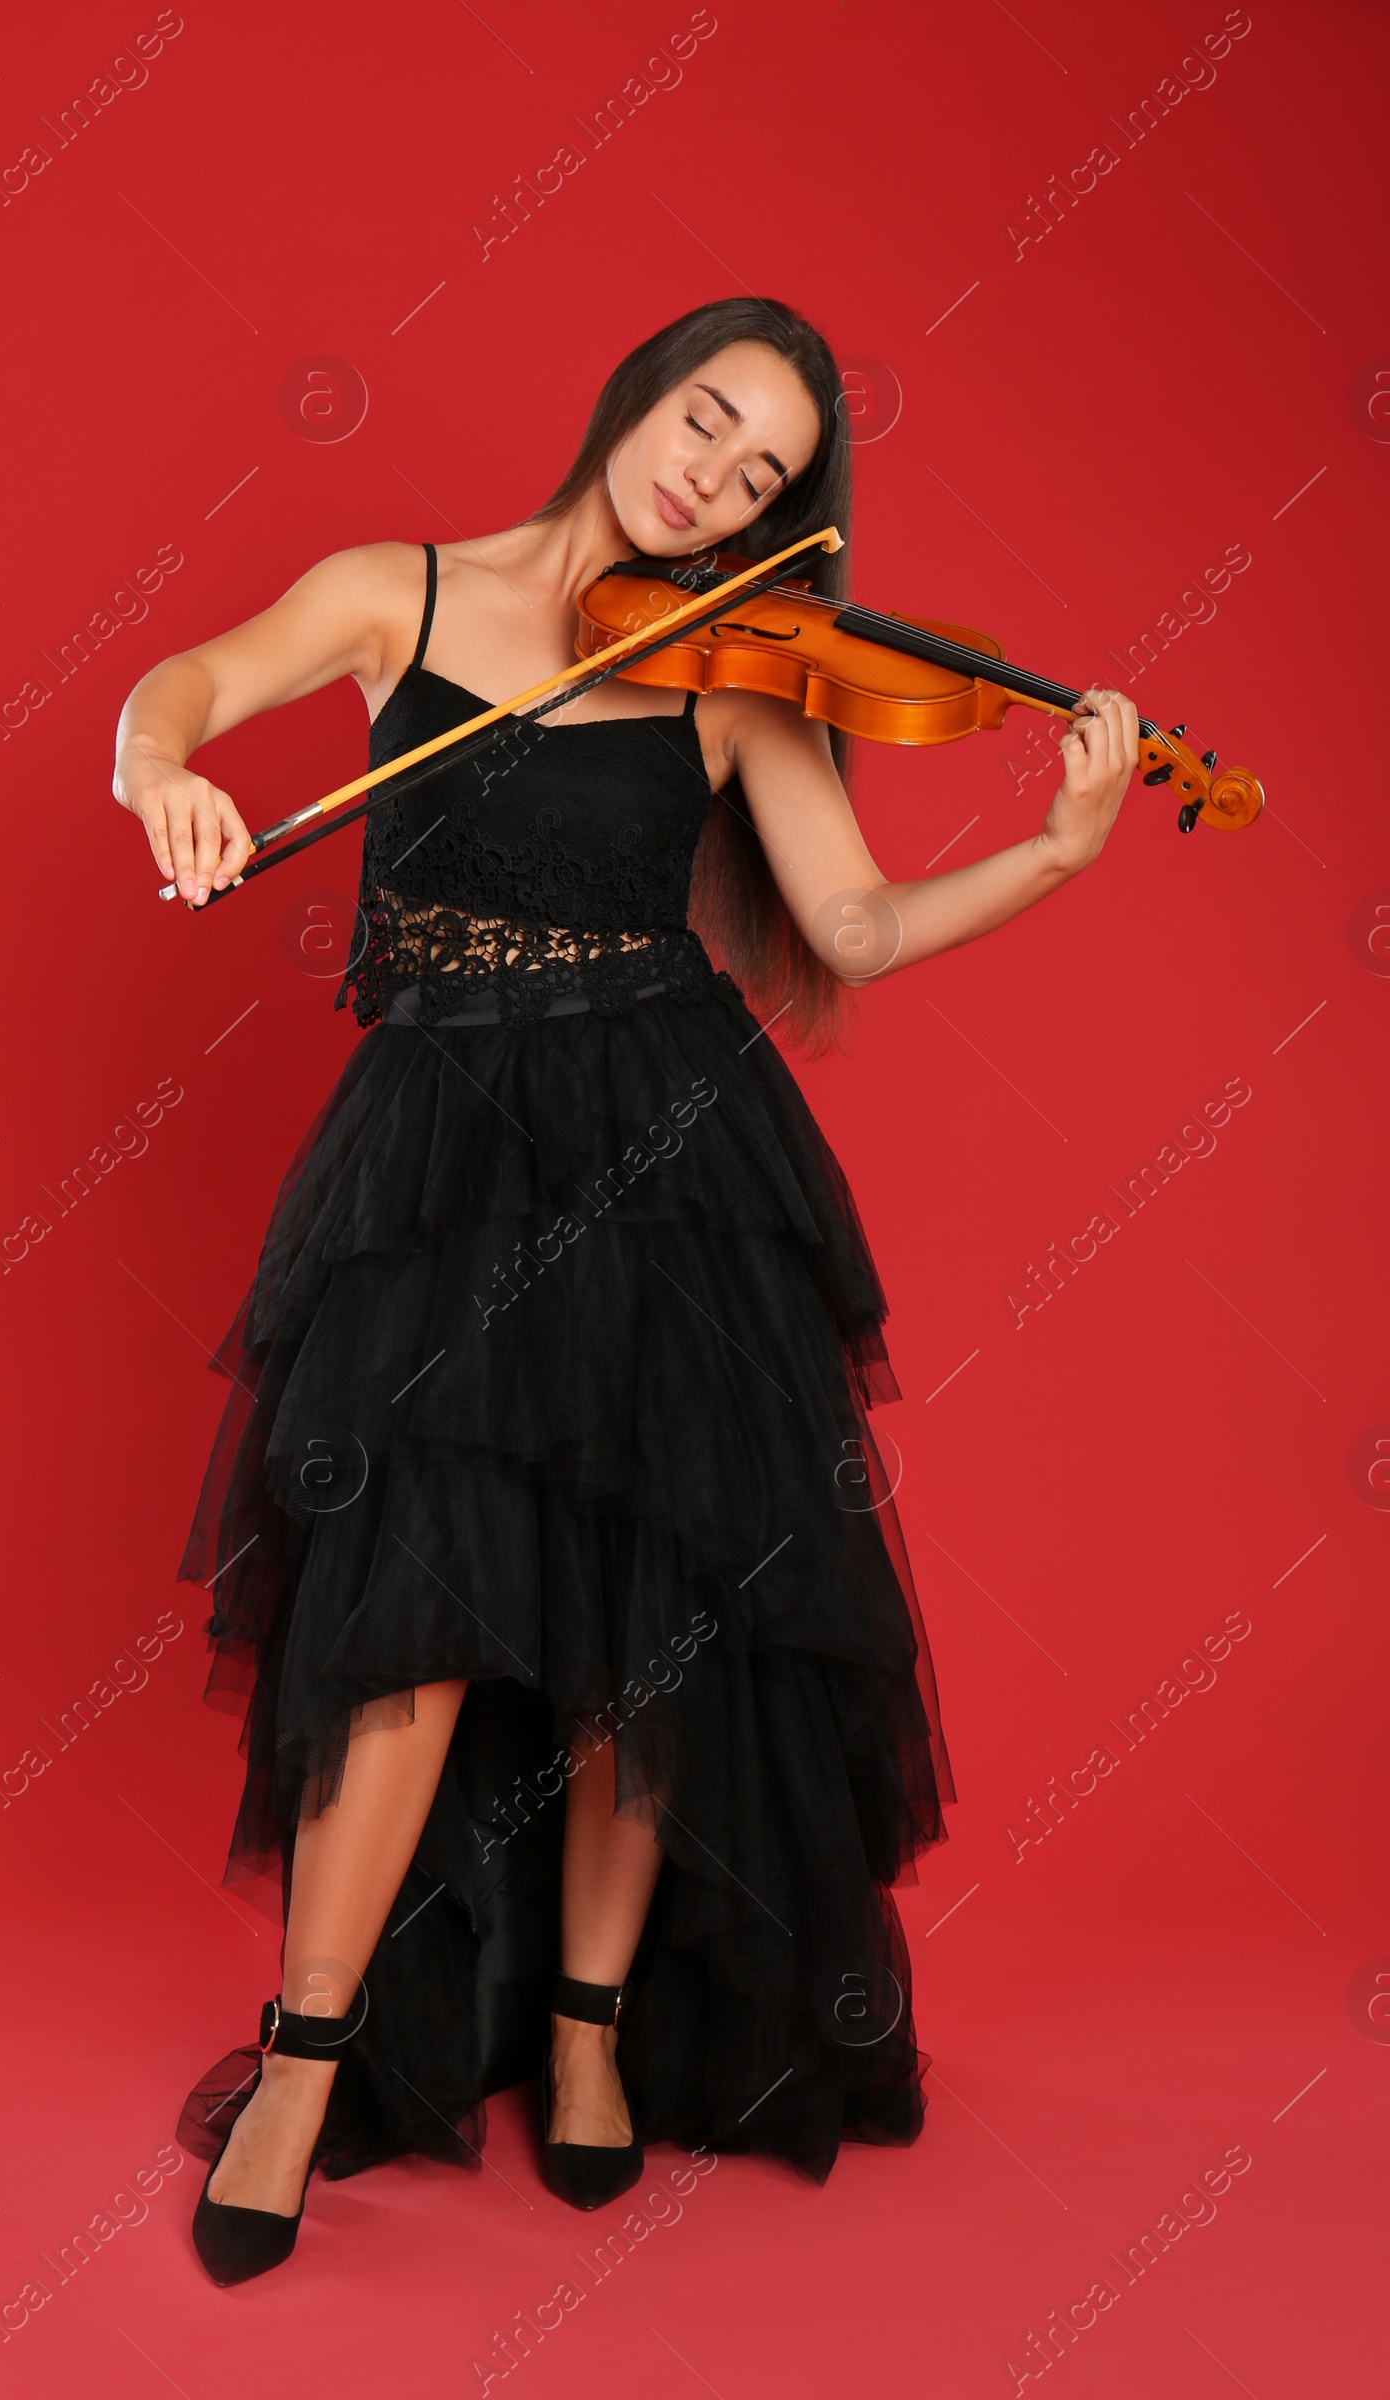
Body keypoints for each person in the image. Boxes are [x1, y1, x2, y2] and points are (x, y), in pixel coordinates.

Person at [113, 295, 1138, 2286]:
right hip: (432, 1149)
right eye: (703, 425)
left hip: (664, 1139)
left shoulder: (733, 666)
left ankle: (587, 2042)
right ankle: (307, 2069)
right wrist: (161, 767)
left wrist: (1057, 852)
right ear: (630, 393)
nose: (712, 480)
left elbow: (840, 916)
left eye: (761, 477)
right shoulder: (389, 590)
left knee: (642, 1640)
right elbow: (183, 684)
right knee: (397, 1631)